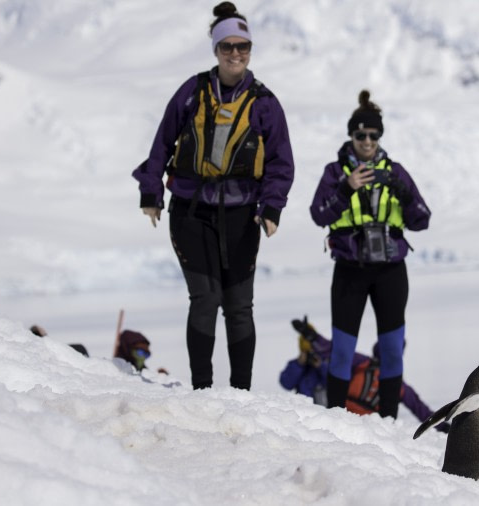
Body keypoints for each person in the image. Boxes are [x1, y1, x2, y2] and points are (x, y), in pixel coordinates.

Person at [132, 2, 295, 390]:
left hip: (242, 217)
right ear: (216, 50)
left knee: (239, 307)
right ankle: (202, 391)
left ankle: (241, 393)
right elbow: (162, 144)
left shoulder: (264, 103)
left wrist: (272, 206)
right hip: (190, 212)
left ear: (250, 50)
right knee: (205, 300)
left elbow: (280, 162)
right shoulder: (192, 93)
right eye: (228, 47)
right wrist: (150, 191)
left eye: (243, 46)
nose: (235, 54)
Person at [310, 91, 431, 418]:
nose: (366, 141)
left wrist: (403, 191)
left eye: (373, 135)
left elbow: (422, 219)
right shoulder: (334, 173)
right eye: (360, 135)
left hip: (390, 272)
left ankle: (388, 422)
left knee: (392, 351)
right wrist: (345, 189)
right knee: (342, 352)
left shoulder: (397, 172)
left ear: (380, 136)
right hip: (350, 271)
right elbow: (319, 215)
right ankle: (335, 419)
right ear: (351, 136)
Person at [280, 317, 446, 430]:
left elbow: (335, 350)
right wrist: (443, 427)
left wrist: (314, 338)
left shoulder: (364, 362)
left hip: (344, 421)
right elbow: (420, 410)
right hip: (365, 429)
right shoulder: (400, 386)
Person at [0, 299, 89, 356]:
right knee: (79, 349)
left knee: (79, 348)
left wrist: (35, 333)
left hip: (37, 347)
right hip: (39, 353)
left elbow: (15, 338)